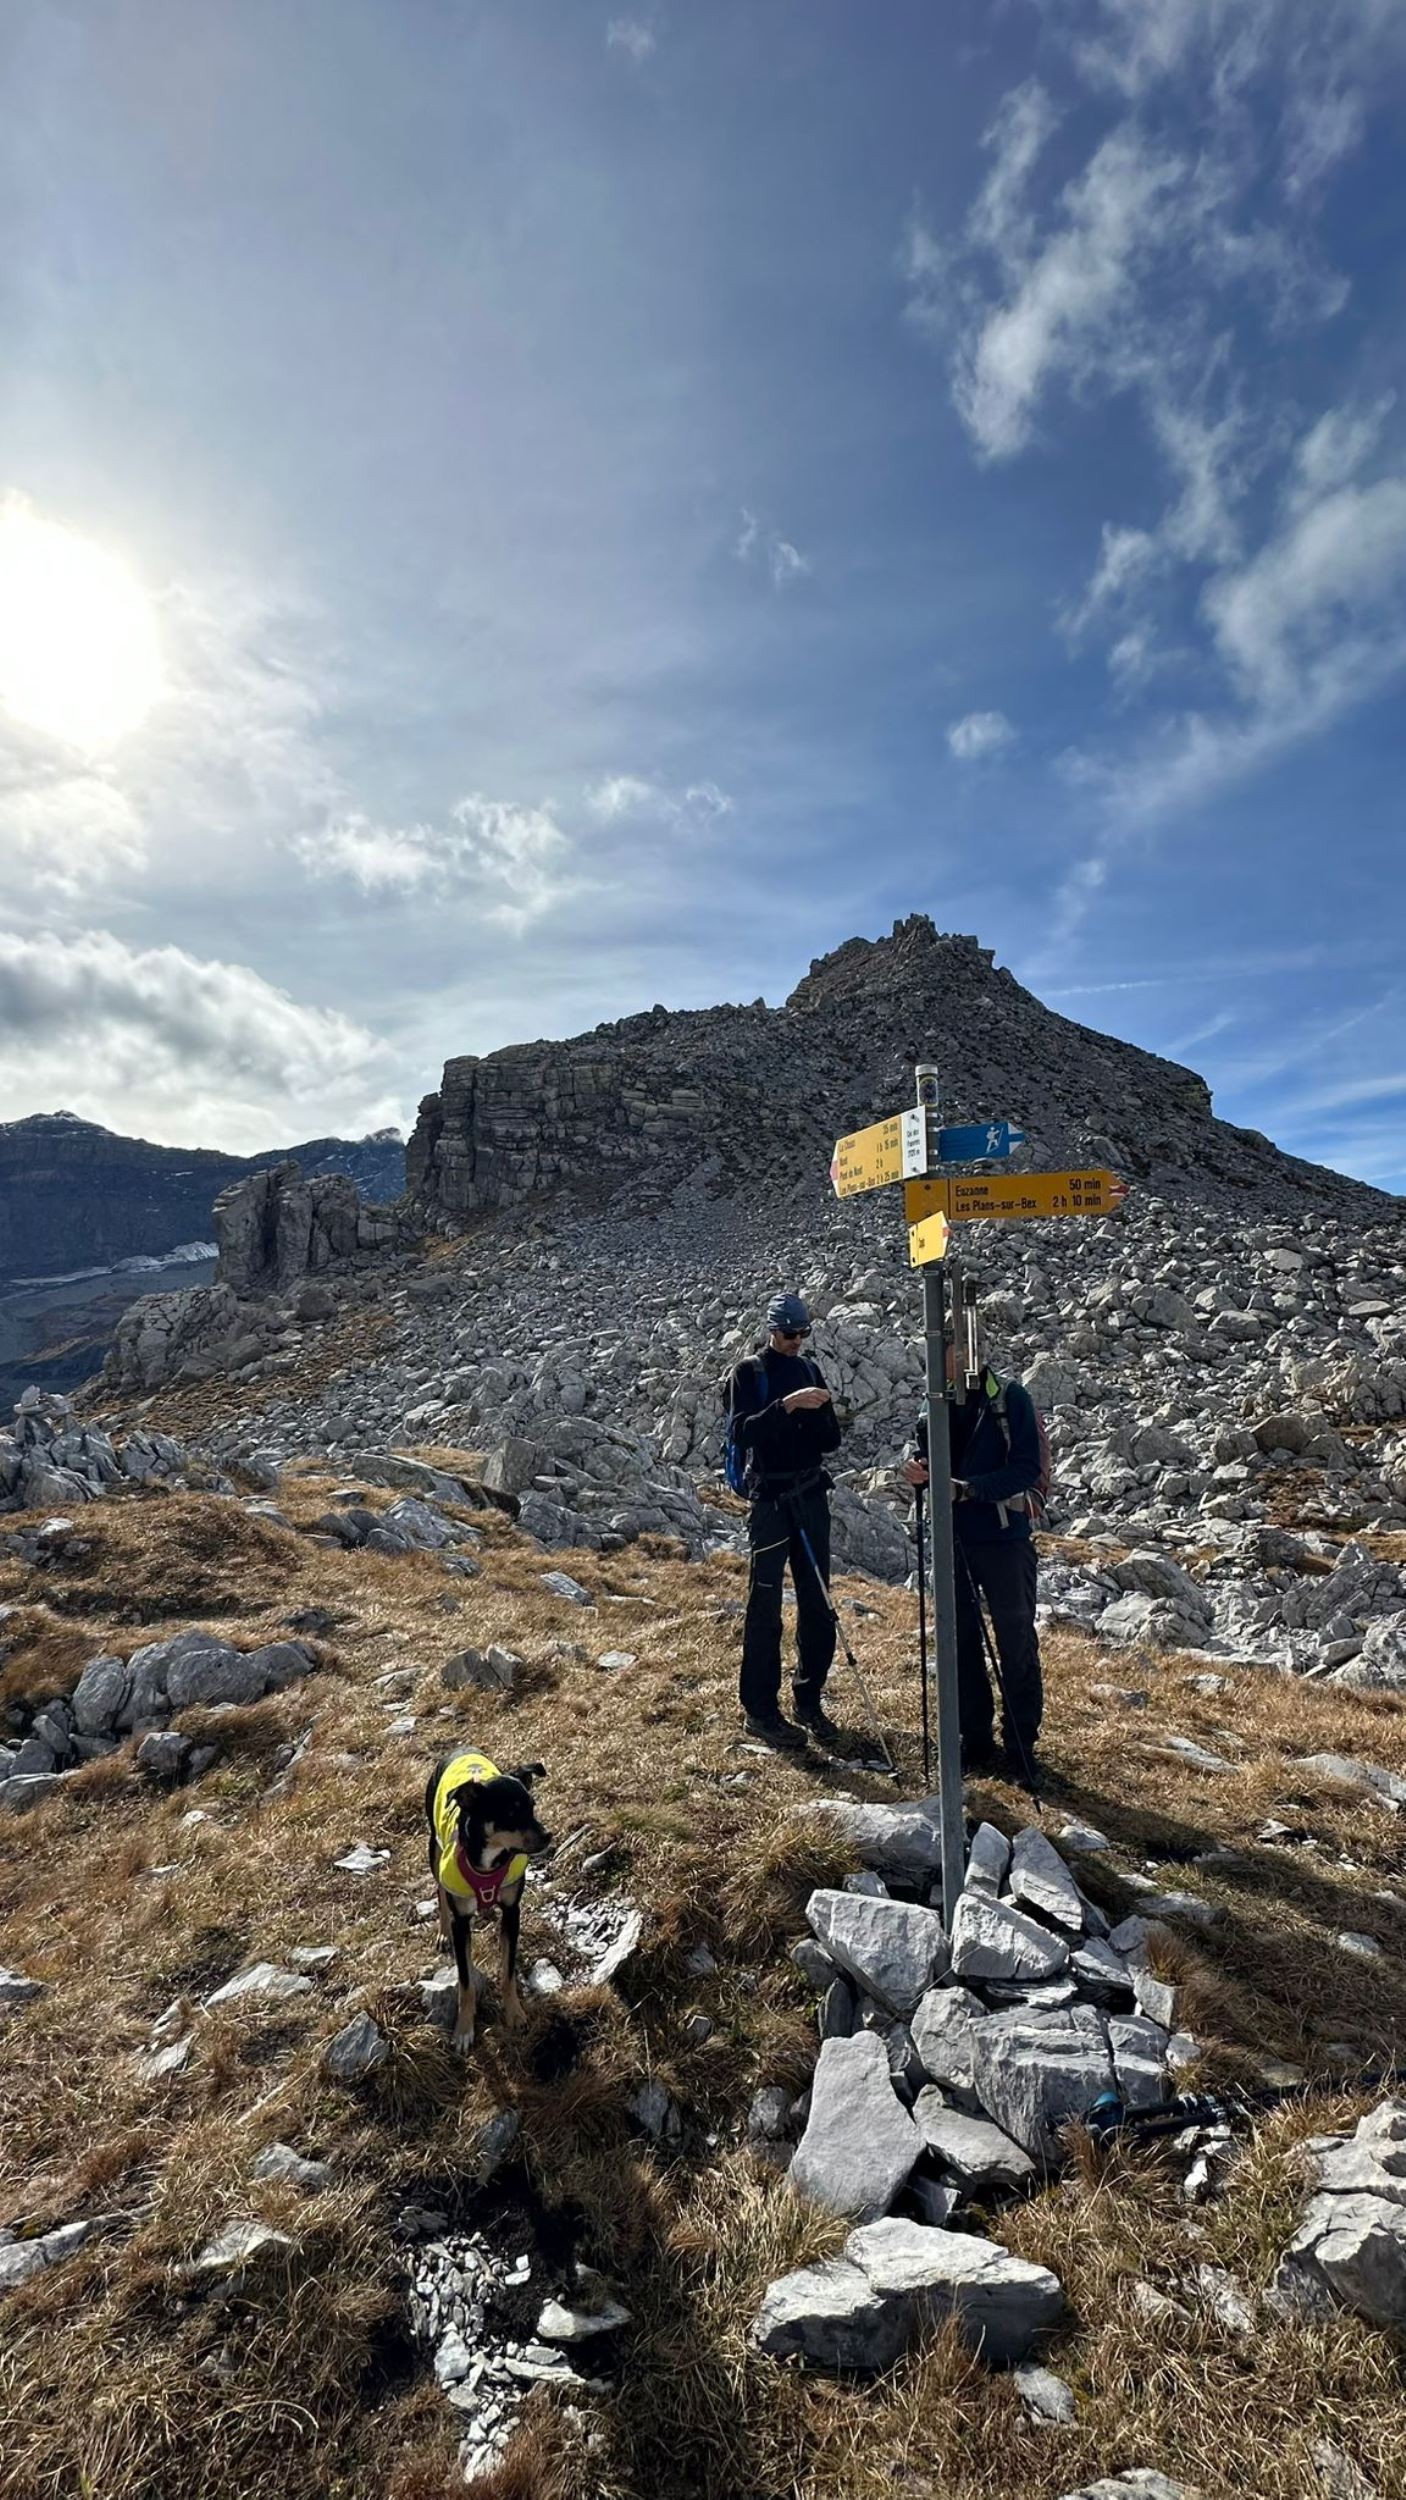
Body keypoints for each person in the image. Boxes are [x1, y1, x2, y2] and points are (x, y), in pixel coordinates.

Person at [904, 1339, 1043, 1780]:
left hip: (1004, 1538)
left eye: (967, 1348)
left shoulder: (1009, 1398)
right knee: (958, 1641)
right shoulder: (933, 1408)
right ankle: (975, 1740)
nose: (960, 1357)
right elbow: (929, 1464)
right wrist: (917, 1471)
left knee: (1015, 1642)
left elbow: (1025, 1469)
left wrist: (967, 1489)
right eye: (951, 1349)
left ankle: (1022, 1746)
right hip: (954, 1540)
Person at [728, 1291, 844, 1750]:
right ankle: (760, 1710)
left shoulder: (810, 1370)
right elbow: (741, 1430)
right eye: (788, 1334)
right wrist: (788, 1407)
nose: (796, 1341)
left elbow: (831, 1441)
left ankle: (808, 1698)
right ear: (771, 1331)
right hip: (771, 1500)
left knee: (818, 1602)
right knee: (765, 1606)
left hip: (811, 1495)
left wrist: (819, 1412)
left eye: (802, 1334)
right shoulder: (748, 1373)